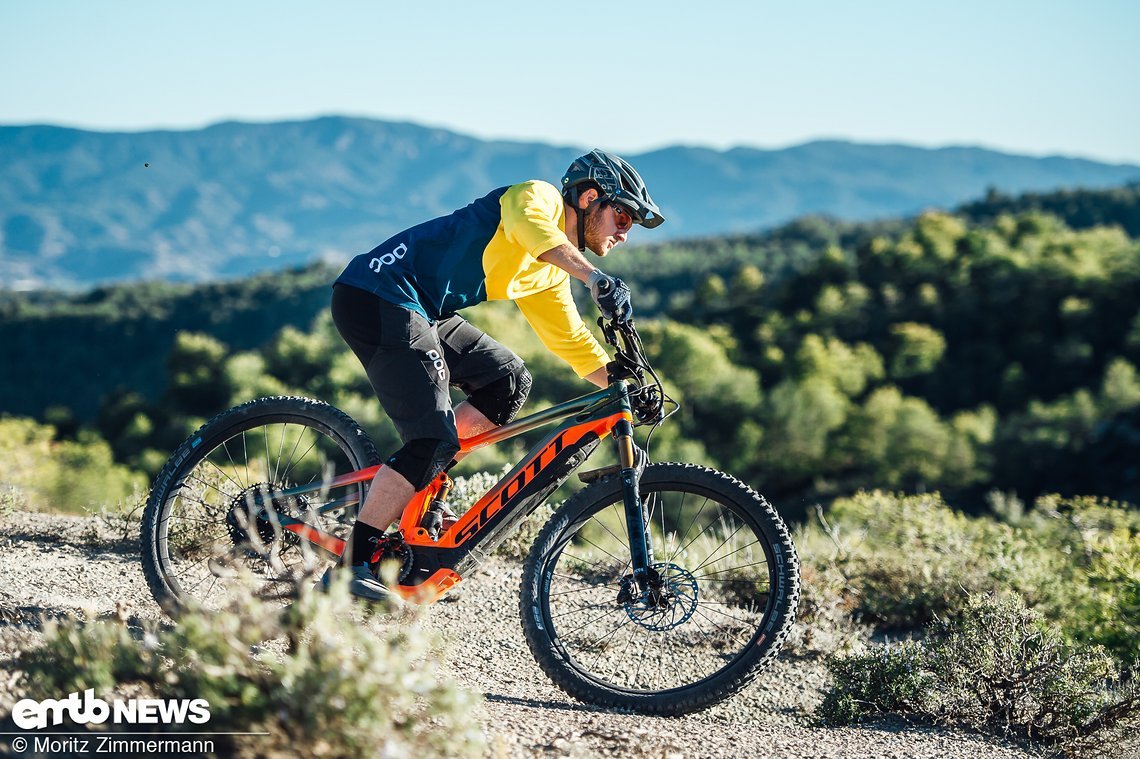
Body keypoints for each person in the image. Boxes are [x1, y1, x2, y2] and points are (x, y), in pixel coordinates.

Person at [328, 149, 665, 599]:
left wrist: (624, 385)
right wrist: (594, 277)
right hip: (376, 294)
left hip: (421, 309)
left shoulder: (548, 275)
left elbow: (574, 344)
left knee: (507, 381)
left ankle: (421, 484)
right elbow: (536, 232)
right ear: (588, 198)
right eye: (622, 217)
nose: (625, 233)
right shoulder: (536, 198)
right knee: (432, 439)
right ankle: (352, 564)